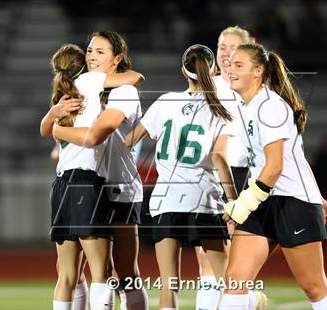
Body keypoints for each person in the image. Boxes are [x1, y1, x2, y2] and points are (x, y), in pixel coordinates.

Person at [219, 43, 327, 310]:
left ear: (258, 71)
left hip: (291, 202)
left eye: (239, 65)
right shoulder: (245, 106)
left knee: (313, 286)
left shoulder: (269, 106)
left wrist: (244, 204)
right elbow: (295, 156)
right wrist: (319, 195)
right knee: (235, 280)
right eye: (230, 65)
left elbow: (275, 167)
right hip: (264, 197)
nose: (230, 70)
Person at [126, 44, 237, 310]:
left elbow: (128, 141)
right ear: (213, 70)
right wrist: (234, 199)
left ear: (183, 71)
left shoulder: (165, 101)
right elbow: (220, 158)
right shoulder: (220, 109)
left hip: (167, 199)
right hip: (204, 200)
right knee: (230, 283)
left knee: (168, 286)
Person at [40, 36, 143, 310]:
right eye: (89, 50)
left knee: (122, 272)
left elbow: (97, 134)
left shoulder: (120, 90)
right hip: (90, 182)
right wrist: (55, 121)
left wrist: (56, 127)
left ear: (117, 58)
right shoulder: (84, 85)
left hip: (117, 186)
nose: (92, 56)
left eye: (100, 51)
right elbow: (93, 137)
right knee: (96, 270)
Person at [194, 25, 268, 310]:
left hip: (241, 177)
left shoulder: (254, 89)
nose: (225, 53)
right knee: (207, 255)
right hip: (211, 176)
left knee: (234, 258)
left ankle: (247, 299)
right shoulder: (209, 86)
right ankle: (248, 300)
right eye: (221, 46)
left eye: (233, 48)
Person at [47, 43, 114, 310]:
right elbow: (135, 77)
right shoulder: (91, 84)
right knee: (101, 272)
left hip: (61, 185)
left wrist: (54, 118)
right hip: (86, 182)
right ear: (83, 68)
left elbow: (46, 131)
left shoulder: (60, 100)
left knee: (66, 275)